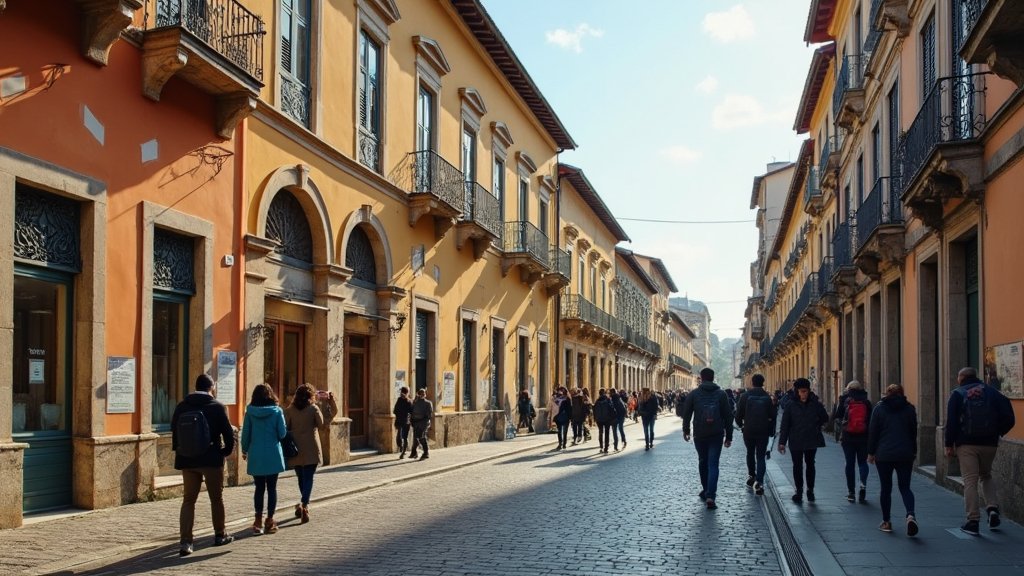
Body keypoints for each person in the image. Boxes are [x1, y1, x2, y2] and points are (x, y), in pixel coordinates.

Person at [944, 366, 1016, 536]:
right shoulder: (993, 393)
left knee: (970, 480)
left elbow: (952, 422)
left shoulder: (957, 394)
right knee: (986, 475)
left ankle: (973, 521)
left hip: (966, 444)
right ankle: (992, 508)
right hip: (990, 443)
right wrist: (998, 432)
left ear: (961, 378)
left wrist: (949, 444)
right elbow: (1009, 417)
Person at [171, 373, 235, 556]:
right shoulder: (217, 407)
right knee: (216, 498)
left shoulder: (182, 406)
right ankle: (220, 534)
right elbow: (228, 433)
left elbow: (173, 429)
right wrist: (225, 451)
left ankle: (186, 542)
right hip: (211, 458)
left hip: (187, 460)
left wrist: (180, 450)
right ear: (211, 387)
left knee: (188, 500)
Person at [867, 383, 919, 535]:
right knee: (905, 487)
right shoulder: (909, 409)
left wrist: (870, 452)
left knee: (886, 488)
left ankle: (886, 522)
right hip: (905, 454)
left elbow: (873, 432)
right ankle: (910, 515)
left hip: (884, 455)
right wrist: (913, 452)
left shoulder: (879, 408)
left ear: (887, 393)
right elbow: (913, 432)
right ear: (902, 393)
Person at [681, 368, 734, 510]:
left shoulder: (694, 394)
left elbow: (686, 414)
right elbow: (728, 416)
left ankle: (706, 490)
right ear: (713, 377)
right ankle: (711, 495)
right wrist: (729, 436)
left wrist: (686, 430)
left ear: (701, 378)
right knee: (713, 464)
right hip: (717, 434)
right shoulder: (721, 394)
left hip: (700, 433)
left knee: (702, 461)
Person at [284, 384, 337, 524]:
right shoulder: (313, 408)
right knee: (308, 478)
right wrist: (330, 403)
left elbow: (285, 428)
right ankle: (305, 505)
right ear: (311, 396)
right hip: (311, 448)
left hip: (295, 449)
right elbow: (322, 425)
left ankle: (304, 504)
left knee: (301, 478)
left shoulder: (289, 410)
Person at [241, 383, 287, 536]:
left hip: (256, 454)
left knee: (259, 488)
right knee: (272, 488)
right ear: (271, 395)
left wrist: (244, 449)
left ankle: (258, 520)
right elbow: (282, 433)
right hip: (273, 453)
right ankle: (270, 520)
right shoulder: (277, 411)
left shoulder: (250, 412)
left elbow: (245, 433)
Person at [778, 378, 828, 503]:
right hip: (796, 440)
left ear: (809, 391)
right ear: (797, 392)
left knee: (810, 464)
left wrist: (817, 424)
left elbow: (825, 418)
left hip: (811, 439)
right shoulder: (790, 405)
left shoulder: (815, 403)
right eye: (801, 391)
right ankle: (799, 490)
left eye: (806, 391)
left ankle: (810, 490)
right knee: (797, 466)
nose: (804, 394)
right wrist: (782, 442)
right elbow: (785, 425)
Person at [735, 373, 776, 496]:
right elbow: (773, 416)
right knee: (760, 456)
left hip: (749, 430)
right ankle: (760, 482)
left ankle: (752, 475)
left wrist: (742, 426)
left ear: (752, 383)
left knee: (750, 453)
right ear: (763, 383)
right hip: (763, 431)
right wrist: (771, 431)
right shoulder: (767, 397)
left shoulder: (745, 396)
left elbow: (738, 416)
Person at [832, 380, 873, 502]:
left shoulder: (845, 400)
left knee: (849, 464)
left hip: (848, 437)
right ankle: (863, 486)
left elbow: (837, 416)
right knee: (862, 463)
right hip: (863, 437)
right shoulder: (866, 402)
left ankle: (851, 492)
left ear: (848, 389)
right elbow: (871, 421)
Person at [408, 387, 434, 460]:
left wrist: (424, 422)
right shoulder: (415, 402)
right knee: (416, 437)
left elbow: (429, 415)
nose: (422, 395)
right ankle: (414, 452)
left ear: (425, 394)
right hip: (416, 422)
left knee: (422, 437)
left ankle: (426, 453)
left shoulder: (428, 403)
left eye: (423, 393)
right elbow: (412, 412)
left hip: (423, 423)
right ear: (418, 394)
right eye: (421, 393)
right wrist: (412, 421)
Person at [592, 388, 615, 453]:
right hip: (607, 419)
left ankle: (601, 447)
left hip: (599, 419)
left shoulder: (597, 401)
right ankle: (606, 448)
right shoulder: (608, 399)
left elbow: (594, 410)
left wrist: (595, 418)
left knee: (600, 432)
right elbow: (611, 408)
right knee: (607, 433)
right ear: (604, 393)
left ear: (599, 393)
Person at [394, 386, 413, 458]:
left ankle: (402, 450)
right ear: (407, 392)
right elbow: (411, 412)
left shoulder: (403, 400)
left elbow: (395, 411)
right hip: (404, 421)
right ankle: (403, 450)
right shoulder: (409, 401)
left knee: (401, 436)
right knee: (403, 437)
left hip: (402, 421)